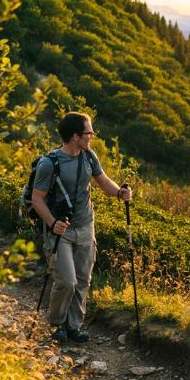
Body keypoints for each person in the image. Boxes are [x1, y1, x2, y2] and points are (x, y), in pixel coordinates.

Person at [31, 111, 132, 342]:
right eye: (89, 133)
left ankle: (74, 326)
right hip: (61, 230)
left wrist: (119, 193)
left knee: (83, 280)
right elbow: (37, 199)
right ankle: (57, 323)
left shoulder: (89, 156)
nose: (92, 137)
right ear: (75, 136)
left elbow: (103, 181)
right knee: (67, 280)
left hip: (86, 225)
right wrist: (53, 223)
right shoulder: (50, 164)